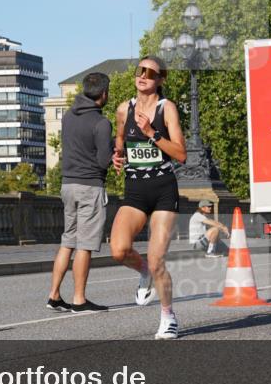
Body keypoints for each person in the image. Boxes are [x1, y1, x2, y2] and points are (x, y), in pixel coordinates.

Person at [110, 56, 187, 339]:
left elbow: (180, 153)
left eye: (150, 73)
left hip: (164, 189)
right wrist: (117, 156)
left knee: (157, 260)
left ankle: (168, 317)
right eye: (139, 71)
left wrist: (152, 133)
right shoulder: (123, 109)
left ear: (160, 80)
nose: (142, 76)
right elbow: (120, 141)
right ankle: (143, 272)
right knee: (118, 250)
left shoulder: (167, 109)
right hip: (135, 190)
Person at [47, 72, 113, 313]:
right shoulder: (101, 123)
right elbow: (104, 161)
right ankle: (79, 299)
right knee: (84, 245)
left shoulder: (67, 117)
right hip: (90, 186)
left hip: (67, 185)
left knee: (68, 241)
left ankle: (54, 295)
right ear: (104, 94)